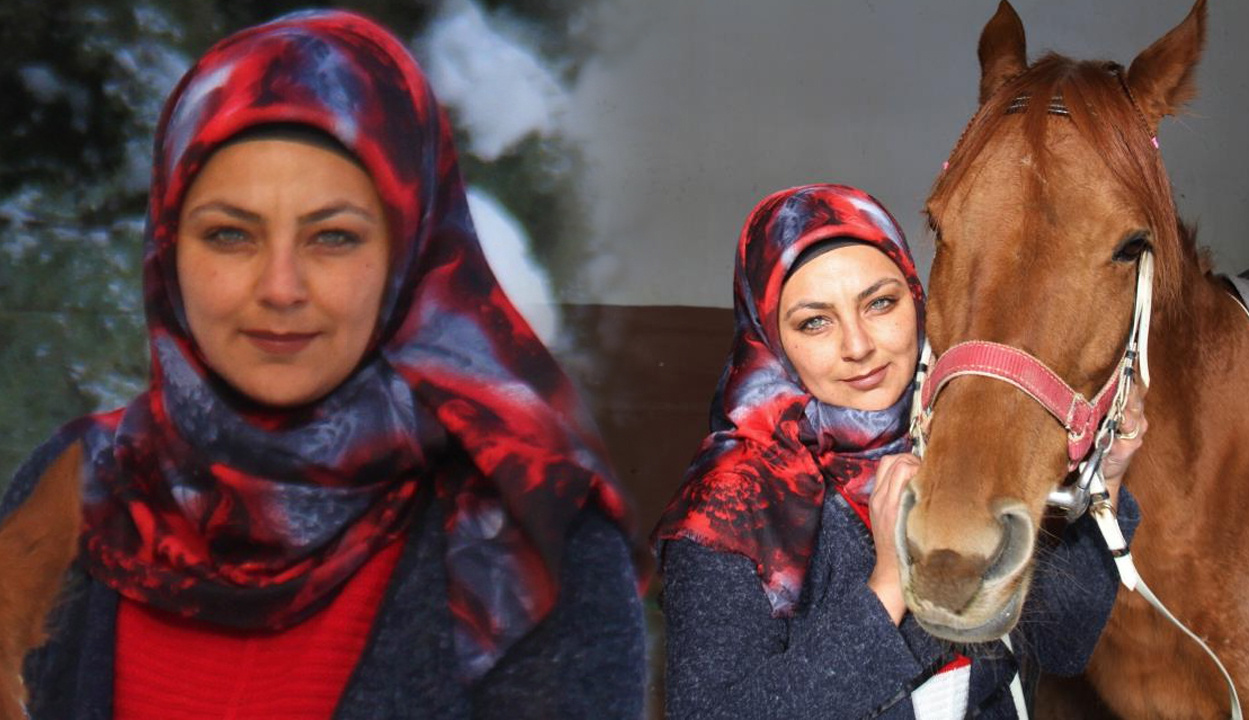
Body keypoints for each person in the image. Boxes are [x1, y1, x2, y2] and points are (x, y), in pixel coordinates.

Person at [0, 10, 645, 719]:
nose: (280, 287)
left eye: (333, 238)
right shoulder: (78, 483)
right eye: (229, 235)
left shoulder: (524, 535)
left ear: (412, 251)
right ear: (169, 249)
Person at [652, 184, 1144, 719]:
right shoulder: (728, 503)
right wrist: (888, 586)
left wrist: (1107, 480)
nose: (859, 345)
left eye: (880, 303)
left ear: (918, 298)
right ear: (768, 336)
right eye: (814, 321)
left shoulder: (953, 445)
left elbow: (1063, 645)